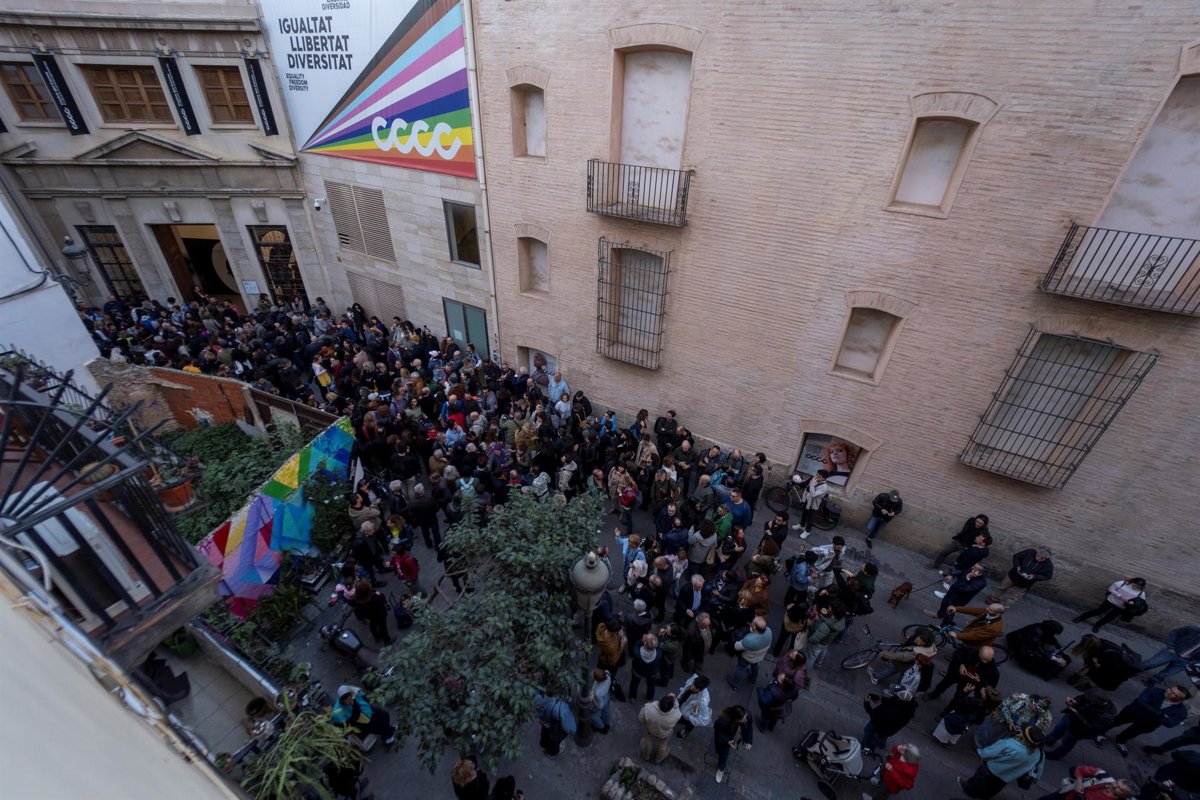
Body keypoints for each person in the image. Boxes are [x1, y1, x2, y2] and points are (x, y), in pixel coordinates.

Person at [1097, 685, 1192, 756]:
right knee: (1115, 721)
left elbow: (1170, 723)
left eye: (1174, 694)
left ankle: (1119, 739)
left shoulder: (1181, 711)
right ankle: (1099, 733)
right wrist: (1161, 715)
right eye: (1170, 689)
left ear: (1179, 699)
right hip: (1133, 712)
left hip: (1148, 724)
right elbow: (1142, 701)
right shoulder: (1154, 690)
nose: (1169, 692)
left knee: (1132, 732)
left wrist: (1151, 709)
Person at [959, 725, 1045, 799]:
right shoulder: (1039, 754)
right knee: (993, 789)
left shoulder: (1010, 744)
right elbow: (1038, 769)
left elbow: (987, 753)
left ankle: (969, 790)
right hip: (1007, 777)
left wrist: (980, 752)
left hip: (992, 770)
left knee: (978, 782)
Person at [1043, 688, 1117, 761]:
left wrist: (1076, 714)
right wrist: (1074, 701)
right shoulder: (1091, 696)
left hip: (1078, 730)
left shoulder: (1106, 717)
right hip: (1071, 717)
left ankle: (1056, 755)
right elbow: (1081, 698)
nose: (1087, 699)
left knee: (1067, 742)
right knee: (1059, 728)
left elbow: (1091, 727)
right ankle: (1049, 740)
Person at [1073, 578, 1147, 633]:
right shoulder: (1123, 583)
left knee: (1109, 618)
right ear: (1133, 582)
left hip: (1121, 607)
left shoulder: (1141, 593)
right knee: (1098, 611)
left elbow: (1141, 602)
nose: (1136, 588)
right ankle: (1082, 617)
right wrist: (1119, 596)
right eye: (1135, 585)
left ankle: (1097, 625)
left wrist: (1132, 603)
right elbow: (1111, 589)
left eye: (1138, 587)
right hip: (1110, 601)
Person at [330, 685, 397, 745]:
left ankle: (388, 731)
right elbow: (353, 719)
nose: (348, 702)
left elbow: (362, 695)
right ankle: (387, 736)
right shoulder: (338, 712)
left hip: (367, 710)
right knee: (376, 727)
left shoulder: (352, 692)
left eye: (349, 699)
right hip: (361, 722)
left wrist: (364, 702)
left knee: (384, 715)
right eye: (346, 701)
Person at [988, 547, 1054, 608]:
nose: (1039, 558)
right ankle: (993, 598)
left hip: (1025, 583)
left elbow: (1047, 576)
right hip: (1013, 575)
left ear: (1046, 558)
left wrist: (1034, 576)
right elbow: (1016, 557)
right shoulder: (1029, 552)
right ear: (1036, 553)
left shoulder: (1048, 565)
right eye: (1038, 556)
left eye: (1042, 558)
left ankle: (1003, 608)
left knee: (1013, 597)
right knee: (1002, 588)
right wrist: (1017, 566)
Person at [1006, 620, 1070, 680]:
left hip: (1025, 642)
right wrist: (1050, 657)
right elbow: (1037, 646)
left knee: (1050, 655)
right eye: (1054, 633)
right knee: (1038, 659)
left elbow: (1051, 638)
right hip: (1017, 643)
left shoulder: (1044, 627)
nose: (1054, 634)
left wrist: (1059, 647)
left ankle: (1049, 670)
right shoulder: (1037, 631)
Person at [861, 689, 918, 755]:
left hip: (878, 727)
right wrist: (875, 697)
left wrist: (866, 703)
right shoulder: (908, 710)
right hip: (888, 730)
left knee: (870, 735)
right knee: (880, 737)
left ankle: (866, 749)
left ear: (899, 700)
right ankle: (880, 743)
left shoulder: (893, 711)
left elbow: (875, 716)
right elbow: (889, 701)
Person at [1034, 767, 1138, 800]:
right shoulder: (1103, 776)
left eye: (1120, 789)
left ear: (1125, 796)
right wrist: (1079, 783)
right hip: (1066, 796)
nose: (1114, 785)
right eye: (1116, 783)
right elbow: (1080, 769)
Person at [728, 616, 772, 689]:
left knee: (740, 669)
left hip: (747, 658)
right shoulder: (769, 631)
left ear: (754, 627)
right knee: (755, 666)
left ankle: (734, 685)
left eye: (752, 622)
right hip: (759, 657)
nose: (751, 623)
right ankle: (753, 680)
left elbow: (736, 646)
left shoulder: (749, 640)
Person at [713, 705, 753, 784]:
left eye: (745, 717)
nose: (746, 720)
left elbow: (749, 728)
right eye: (743, 719)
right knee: (722, 753)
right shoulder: (724, 721)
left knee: (723, 753)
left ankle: (721, 768)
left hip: (735, 738)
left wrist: (749, 741)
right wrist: (727, 741)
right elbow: (718, 731)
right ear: (736, 719)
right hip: (727, 738)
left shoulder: (747, 715)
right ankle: (721, 768)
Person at [638, 693, 681, 764]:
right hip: (664, 734)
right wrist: (674, 700)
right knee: (663, 744)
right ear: (671, 708)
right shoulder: (676, 715)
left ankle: (646, 755)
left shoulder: (648, 709)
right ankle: (659, 758)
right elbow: (677, 709)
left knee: (648, 741)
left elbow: (641, 718)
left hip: (651, 730)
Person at [348, 579, 393, 645]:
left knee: (373, 625)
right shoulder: (375, 598)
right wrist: (379, 594)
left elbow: (359, 611)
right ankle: (387, 640)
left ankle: (377, 637)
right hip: (380, 614)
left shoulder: (358, 601)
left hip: (370, 616)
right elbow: (382, 600)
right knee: (382, 627)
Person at [794, 470, 830, 539]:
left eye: (819, 477)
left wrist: (812, 485)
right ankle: (801, 525)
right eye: (816, 475)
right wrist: (804, 498)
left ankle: (807, 531)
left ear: (823, 478)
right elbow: (807, 488)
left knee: (810, 518)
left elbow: (813, 495)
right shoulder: (814, 479)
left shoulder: (824, 487)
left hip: (814, 504)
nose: (816, 477)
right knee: (804, 513)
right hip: (807, 500)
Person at [628, 633, 662, 703]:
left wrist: (641, 640)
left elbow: (636, 644)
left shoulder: (637, 652)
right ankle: (649, 697)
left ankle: (632, 697)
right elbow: (658, 647)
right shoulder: (658, 654)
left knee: (634, 684)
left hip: (637, 671)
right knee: (651, 686)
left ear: (645, 643)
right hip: (651, 673)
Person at [676, 674, 712, 738]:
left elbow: (704, 721)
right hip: (686, 703)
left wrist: (689, 717)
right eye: (693, 684)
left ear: (701, 689)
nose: (692, 687)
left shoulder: (703, 701)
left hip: (691, 712)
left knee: (690, 723)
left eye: (696, 688)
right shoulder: (695, 678)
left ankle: (685, 731)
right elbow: (686, 688)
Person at [588, 667, 613, 734]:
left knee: (593, 715)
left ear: (598, 680)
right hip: (606, 696)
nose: (591, 674)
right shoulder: (607, 673)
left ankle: (601, 727)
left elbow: (600, 706)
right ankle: (607, 724)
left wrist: (593, 699)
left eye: (593, 675)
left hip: (601, 701)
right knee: (606, 711)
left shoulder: (598, 693)